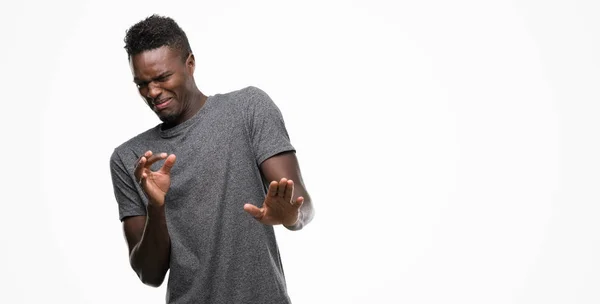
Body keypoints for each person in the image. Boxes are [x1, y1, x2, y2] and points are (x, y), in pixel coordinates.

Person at [109, 14, 314, 304]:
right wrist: (156, 206)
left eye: (162, 78)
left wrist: (292, 216)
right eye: (141, 84)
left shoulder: (248, 109)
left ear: (190, 64)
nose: (152, 92)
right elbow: (150, 275)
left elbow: (303, 205)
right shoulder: (130, 158)